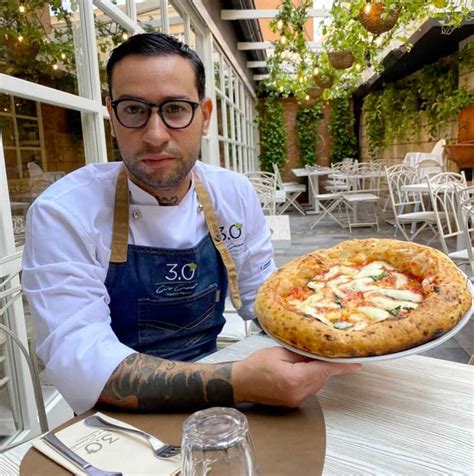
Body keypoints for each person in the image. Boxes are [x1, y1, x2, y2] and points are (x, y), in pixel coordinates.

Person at [22, 33, 359, 415]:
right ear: (111, 118)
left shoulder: (233, 194)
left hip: (220, 392)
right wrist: (239, 382)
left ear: (205, 116)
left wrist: (342, 318)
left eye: (176, 109)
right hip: (115, 418)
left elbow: (264, 299)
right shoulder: (64, 212)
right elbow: (79, 359)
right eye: (133, 110)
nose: (155, 135)